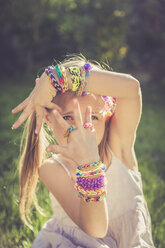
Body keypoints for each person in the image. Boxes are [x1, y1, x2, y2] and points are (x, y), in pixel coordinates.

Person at [12, 54, 155, 248]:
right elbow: (96, 229)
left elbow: (132, 89)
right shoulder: (52, 168)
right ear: (48, 119)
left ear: (107, 117)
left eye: (94, 117)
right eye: (69, 117)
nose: (83, 127)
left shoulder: (118, 144)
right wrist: (89, 165)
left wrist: (57, 77)